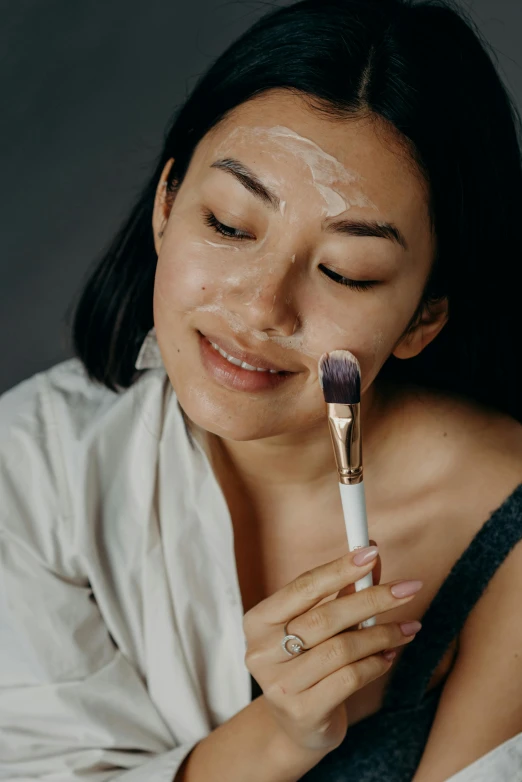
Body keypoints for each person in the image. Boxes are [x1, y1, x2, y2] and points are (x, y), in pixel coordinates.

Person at [1, 0, 521, 780]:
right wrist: (281, 735)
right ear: (168, 202)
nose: (258, 309)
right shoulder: (34, 466)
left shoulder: (507, 520)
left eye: (346, 272)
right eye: (231, 225)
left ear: (423, 316)